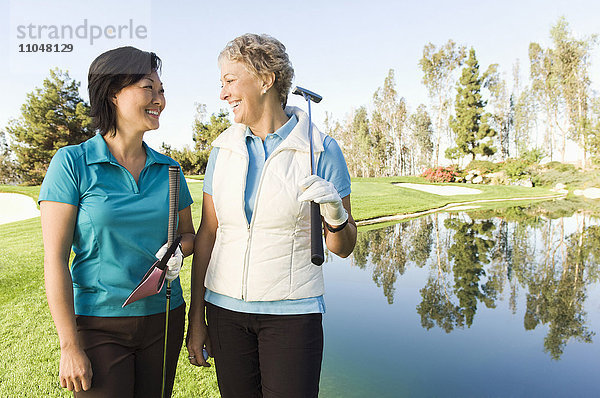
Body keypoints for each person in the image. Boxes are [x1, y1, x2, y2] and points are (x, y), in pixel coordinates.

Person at [186, 33, 357, 398]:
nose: (222, 93)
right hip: (225, 313)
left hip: (293, 316)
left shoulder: (321, 150)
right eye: (222, 83)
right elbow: (208, 235)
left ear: (266, 80)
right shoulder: (223, 149)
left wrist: (335, 213)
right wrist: (196, 316)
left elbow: (343, 248)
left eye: (230, 81)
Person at [39, 46, 195, 397]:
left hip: (164, 317)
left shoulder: (169, 169)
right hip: (98, 324)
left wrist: (177, 251)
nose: (159, 99)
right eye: (148, 88)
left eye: (162, 90)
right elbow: (55, 261)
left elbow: (188, 235)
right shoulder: (72, 163)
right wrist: (69, 346)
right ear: (113, 93)